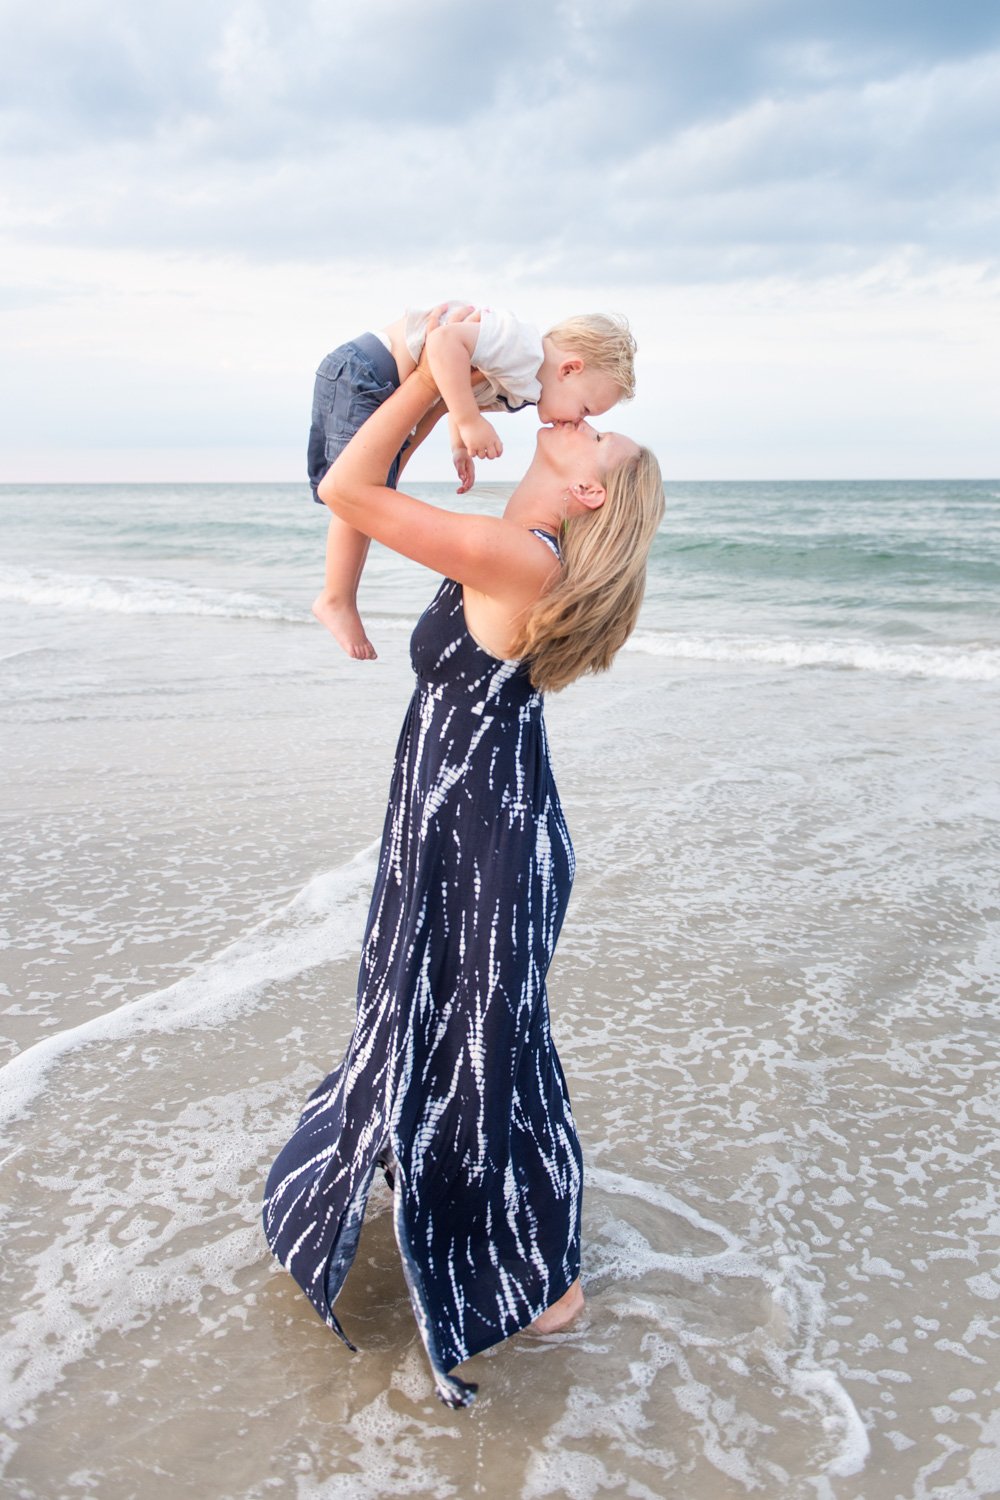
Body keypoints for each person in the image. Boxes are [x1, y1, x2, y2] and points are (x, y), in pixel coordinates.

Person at [264, 326, 664, 1408]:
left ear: (586, 496)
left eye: (604, 438)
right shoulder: (517, 534)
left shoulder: (520, 559)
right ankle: (521, 1247)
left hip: (481, 836)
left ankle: (538, 1280)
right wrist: (441, 392)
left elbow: (348, 487)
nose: (583, 420)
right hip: (476, 822)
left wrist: (430, 397)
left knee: (480, 1045)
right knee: (471, 1032)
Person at [306, 302, 637, 659]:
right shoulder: (522, 350)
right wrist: (467, 422)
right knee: (359, 499)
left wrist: (458, 442)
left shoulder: (523, 382)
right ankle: (336, 597)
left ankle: (337, 597)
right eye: (585, 410)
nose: (578, 422)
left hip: (379, 380)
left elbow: (455, 386)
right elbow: (445, 344)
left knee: (369, 493)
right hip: (369, 371)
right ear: (570, 369)